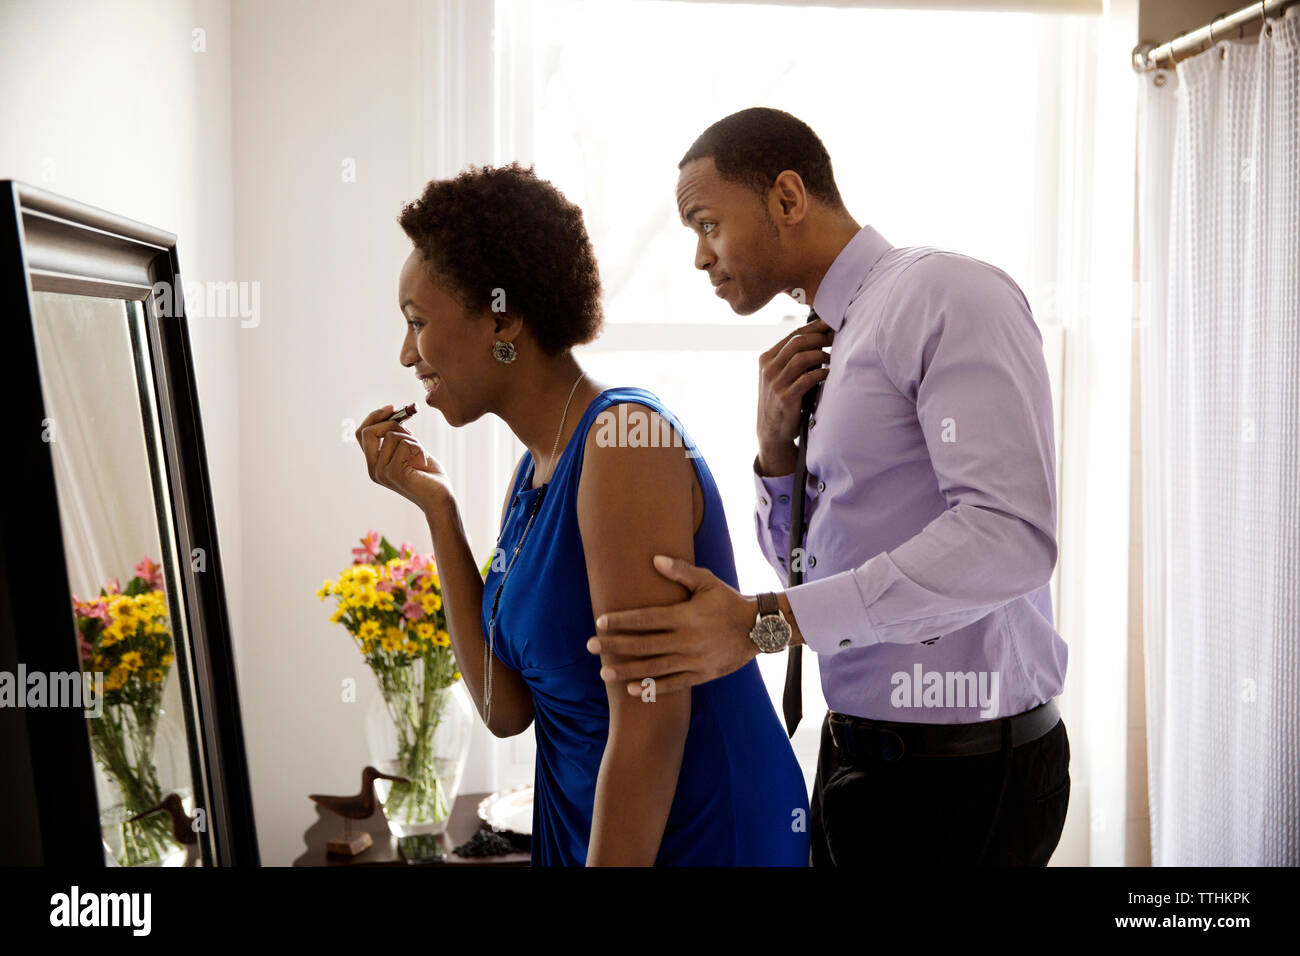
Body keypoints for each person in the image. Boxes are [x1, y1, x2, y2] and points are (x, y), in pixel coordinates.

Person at [589, 107, 1071, 866]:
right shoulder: (827, 343)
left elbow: (1009, 539)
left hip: (965, 776)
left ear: (787, 197)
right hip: (857, 759)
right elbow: (823, 582)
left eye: (707, 223)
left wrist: (760, 624)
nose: (699, 258)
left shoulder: (946, 294)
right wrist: (775, 457)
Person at [355, 162, 810, 866]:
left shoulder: (626, 441)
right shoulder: (533, 473)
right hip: (587, 829)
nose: (407, 353)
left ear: (503, 320)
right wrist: (439, 510)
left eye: (418, 323)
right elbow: (504, 710)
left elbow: (651, 723)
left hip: (695, 834)